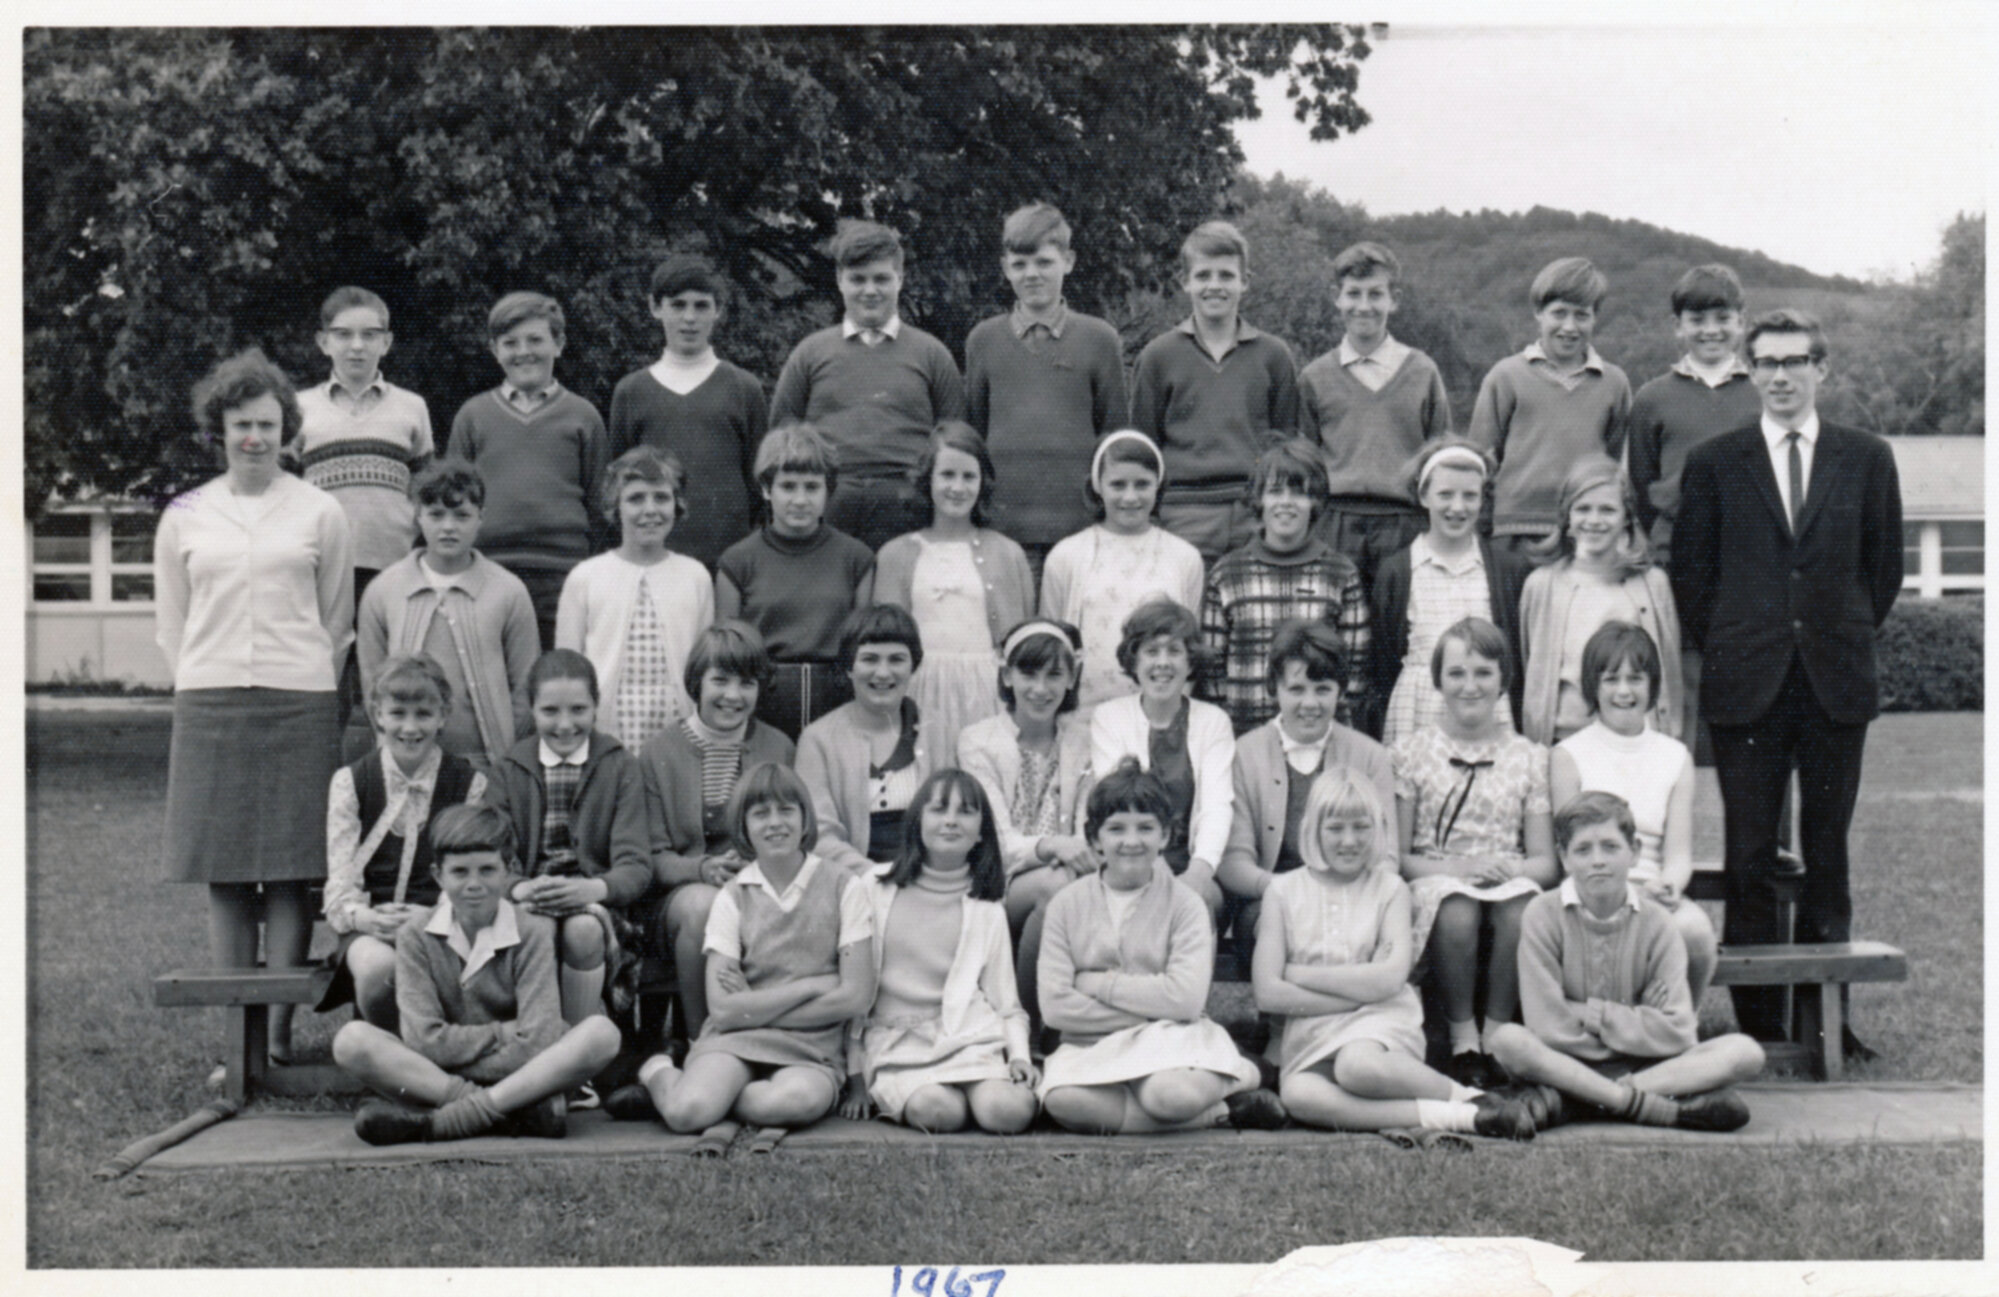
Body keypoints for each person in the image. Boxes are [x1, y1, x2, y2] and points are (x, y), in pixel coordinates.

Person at [1671, 308, 1903, 1055]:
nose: (1779, 375)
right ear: (1750, 369)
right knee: (1749, 854)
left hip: (1834, 680)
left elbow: (1883, 570)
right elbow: (1691, 580)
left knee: (1826, 849)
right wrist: (1744, 638)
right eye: (1765, 362)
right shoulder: (1715, 461)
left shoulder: (1865, 457)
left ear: (1819, 369)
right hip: (1748, 684)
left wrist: (1832, 630)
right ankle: (1762, 1019)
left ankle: (1822, 1017)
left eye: (1793, 361)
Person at [155, 348, 353, 1066]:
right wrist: (205, 680)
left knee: (293, 868)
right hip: (209, 704)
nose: (254, 438)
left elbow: (336, 619)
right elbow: (172, 622)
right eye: (241, 424)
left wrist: (296, 675)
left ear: (286, 429)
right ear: (220, 427)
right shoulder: (185, 513)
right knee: (229, 870)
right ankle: (235, 1040)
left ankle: (274, 1035)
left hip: (298, 701)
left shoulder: (319, 510)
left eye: (267, 424)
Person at [1252, 767, 1535, 1140]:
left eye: (1361, 827)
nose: (1349, 840)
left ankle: (1468, 1097)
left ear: (1378, 829)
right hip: (1313, 1031)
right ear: (1313, 830)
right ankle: (1463, 1117)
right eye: (1335, 828)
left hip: (1381, 1023)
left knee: (1357, 1066)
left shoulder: (1390, 889)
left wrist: (1298, 974)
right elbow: (1268, 992)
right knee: (1299, 1095)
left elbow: (1388, 979)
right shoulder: (1283, 892)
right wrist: (1358, 989)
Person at [332, 804, 624, 1145]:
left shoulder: (531, 931)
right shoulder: (416, 935)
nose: (474, 885)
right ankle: (515, 1113)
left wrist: (459, 1047)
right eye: (460, 872)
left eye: (487, 870)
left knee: (602, 1034)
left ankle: (445, 1121)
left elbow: (539, 1042)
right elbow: (423, 1042)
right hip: (474, 1078)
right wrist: (505, 1034)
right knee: (351, 1041)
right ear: (438, 876)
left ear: (509, 871)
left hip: (502, 1073)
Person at [612, 762, 877, 1138]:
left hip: (812, 1045)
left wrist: (753, 1006)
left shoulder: (843, 886)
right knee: (688, 1113)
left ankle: (720, 1097)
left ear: (805, 820)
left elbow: (854, 997)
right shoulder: (733, 896)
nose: (775, 823)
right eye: (760, 813)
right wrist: (813, 986)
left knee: (793, 1103)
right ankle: (658, 1072)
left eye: (787, 810)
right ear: (744, 828)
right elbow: (722, 1010)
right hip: (736, 1040)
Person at [1488, 792, 1765, 1132]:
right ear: (1564, 857)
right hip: (1565, 1061)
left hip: (1646, 1067)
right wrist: (1638, 1020)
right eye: (1583, 850)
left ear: (1633, 852)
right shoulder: (1542, 914)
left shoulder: (1658, 922)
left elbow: (1677, 1033)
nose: (1598, 860)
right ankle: (1648, 1106)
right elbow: (1547, 1027)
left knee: (1745, 1051)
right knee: (1508, 1041)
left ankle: (1579, 1101)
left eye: (1610, 846)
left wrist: (1586, 1013)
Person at [1036, 758, 1281, 1134]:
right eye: (1116, 828)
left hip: (1170, 1040)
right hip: (1090, 1043)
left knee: (1168, 1095)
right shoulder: (1065, 904)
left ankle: (1244, 1074)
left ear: (1165, 835)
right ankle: (1220, 1112)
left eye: (1145, 828)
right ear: (1094, 837)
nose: (1131, 841)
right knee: (1062, 1101)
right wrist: (1152, 1011)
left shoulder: (1185, 904)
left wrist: (1098, 984)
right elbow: (1055, 1008)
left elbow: (1185, 1000)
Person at [1393, 617, 1556, 1090]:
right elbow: (1399, 856)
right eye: (1457, 673)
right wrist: (1459, 869)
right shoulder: (1411, 753)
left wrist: (1513, 869)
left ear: (1504, 680)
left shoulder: (1528, 756)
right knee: (1457, 908)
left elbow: (1545, 862)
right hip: (1436, 874)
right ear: (1438, 680)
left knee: (1521, 906)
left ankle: (1498, 1033)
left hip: (1507, 873)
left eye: (1483, 673)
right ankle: (1464, 1038)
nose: (1470, 686)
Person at [840, 770, 1040, 1134]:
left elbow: (1006, 1004)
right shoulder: (872, 888)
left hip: (969, 1039)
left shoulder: (987, 907)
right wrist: (855, 1077)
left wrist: (1019, 1056)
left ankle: (986, 1094)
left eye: (965, 811)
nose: (950, 820)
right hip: (897, 1045)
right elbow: (852, 996)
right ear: (917, 822)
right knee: (937, 1112)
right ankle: (949, 1099)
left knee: (1008, 1112)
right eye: (938, 809)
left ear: (981, 831)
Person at [639, 621, 797, 1040]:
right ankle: (701, 1041)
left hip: (759, 886)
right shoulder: (658, 752)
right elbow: (651, 855)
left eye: (746, 683)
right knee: (703, 907)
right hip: (680, 897)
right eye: (720, 680)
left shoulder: (777, 747)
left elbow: (794, 832)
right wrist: (702, 869)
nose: (732, 695)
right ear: (697, 682)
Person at [768, 220, 965, 552]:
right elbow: (782, 436)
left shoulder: (932, 354)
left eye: (881, 279)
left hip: (908, 504)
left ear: (899, 280)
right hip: (830, 504)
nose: (869, 290)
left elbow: (956, 439)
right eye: (858, 279)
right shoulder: (810, 353)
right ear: (840, 281)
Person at [486, 650, 654, 1035]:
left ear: (597, 706)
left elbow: (635, 866)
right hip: (529, 894)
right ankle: (534, 1043)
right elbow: (493, 853)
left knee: (582, 932)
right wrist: (522, 886)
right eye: (550, 711)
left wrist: (591, 888)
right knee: (531, 928)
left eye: (578, 709)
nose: (565, 725)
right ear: (532, 709)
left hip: (597, 902)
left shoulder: (619, 765)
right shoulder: (510, 769)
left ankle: (577, 1058)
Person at [1625, 265, 1760, 740]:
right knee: (1676, 700)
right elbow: (1642, 488)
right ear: (1677, 326)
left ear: (1742, 322)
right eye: (1696, 319)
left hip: (1752, 564)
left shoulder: (1765, 391)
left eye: (1722, 317)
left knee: (1756, 702)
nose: (1710, 330)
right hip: (1676, 563)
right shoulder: (1651, 399)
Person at [964, 202, 1130, 582]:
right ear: (1005, 268)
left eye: (1043, 262)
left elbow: (1114, 436)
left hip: (1079, 529)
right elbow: (972, 435)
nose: (1031, 274)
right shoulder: (983, 341)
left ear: (1068, 261)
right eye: (1019, 265)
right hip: (1003, 530)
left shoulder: (1099, 339)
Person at [1551, 622, 1716, 1004]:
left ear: (1652, 685)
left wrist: (1670, 885)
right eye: (1611, 679)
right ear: (1593, 687)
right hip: (1589, 892)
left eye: (1635, 679)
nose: (1624, 691)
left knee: (1695, 931)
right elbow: (1569, 855)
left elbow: (1677, 856)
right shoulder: (1568, 755)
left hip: (1652, 895)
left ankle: (1676, 1029)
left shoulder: (1675, 757)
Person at [321, 654, 488, 1030]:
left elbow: (471, 874)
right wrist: (364, 917)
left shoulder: (467, 783)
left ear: (443, 715)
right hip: (372, 928)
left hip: (444, 925)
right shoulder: (351, 782)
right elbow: (341, 881)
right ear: (378, 714)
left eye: (423, 714)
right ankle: (391, 1057)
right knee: (380, 968)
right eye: (398, 713)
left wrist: (433, 918)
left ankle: (431, 1055)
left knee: (468, 967)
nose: (410, 727)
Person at [294, 287, 434, 728]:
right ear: (324, 342)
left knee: (393, 687)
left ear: (386, 342)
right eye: (344, 335)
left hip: (392, 570)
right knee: (324, 692)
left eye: (369, 335)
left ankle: (393, 784)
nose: (357, 346)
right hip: (325, 574)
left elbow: (426, 492)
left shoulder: (411, 408)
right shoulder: (300, 409)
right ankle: (321, 790)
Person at [446, 292, 609, 650]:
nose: (524, 352)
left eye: (536, 340)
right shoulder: (473, 416)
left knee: (558, 678)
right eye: (510, 343)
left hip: (563, 574)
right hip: (489, 571)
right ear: (494, 350)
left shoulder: (583, 416)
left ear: (559, 343)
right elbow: (453, 501)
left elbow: (601, 504)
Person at [1130, 220, 1300, 562]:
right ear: (1185, 282)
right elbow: (1143, 448)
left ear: (1245, 282)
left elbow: (1287, 447)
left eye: (1226, 275)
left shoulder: (1274, 355)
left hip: (1255, 513)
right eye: (1203, 275)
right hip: (1182, 515)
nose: (1214, 286)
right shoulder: (1158, 356)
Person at [1218, 622, 1396, 945]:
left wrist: (1342, 896)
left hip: (1353, 897)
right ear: (1275, 688)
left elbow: (1386, 857)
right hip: (1270, 898)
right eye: (1297, 689)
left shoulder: (1370, 756)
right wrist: (1290, 890)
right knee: (1278, 930)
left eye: (1323, 689)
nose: (1310, 704)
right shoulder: (1244, 754)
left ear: (1340, 690)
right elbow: (1232, 861)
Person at [956, 619, 1096, 1027]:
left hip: (1070, 873)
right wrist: (1052, 846)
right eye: (1028, 673)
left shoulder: (1083, 741)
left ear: (1071, 679)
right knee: (1058, 889)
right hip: (997, 877)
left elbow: (1087, 827)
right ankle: (1030, 1029)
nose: (1040, 688)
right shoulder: (978, 741)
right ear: (1007, 675)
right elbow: (996, 839)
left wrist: (1072, 851)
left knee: (1067, 887)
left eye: (1055, 675)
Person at [356, 459, 540, 769]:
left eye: (462, 515)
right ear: (418, 517)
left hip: (484, 763)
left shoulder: (508, 591)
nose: (449, 527)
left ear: (481, 518)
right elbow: (372, 683)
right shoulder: (384, 590)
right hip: (406, 763)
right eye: (436, 515)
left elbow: (526, 684)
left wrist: (505, 750)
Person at [874, 423, 1035, 759]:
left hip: (985, 691)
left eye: (968, 477)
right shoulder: (895, 554)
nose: (957, 487)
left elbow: (1020, 643)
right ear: (928, 480)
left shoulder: (1007, 553)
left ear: (983, 483)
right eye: (947, 475)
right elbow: (885, 640)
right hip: (920, 690)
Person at [715, 422, 877, 738]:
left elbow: (862, 647)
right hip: (763, 705)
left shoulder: (856, 558)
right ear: (766, 489)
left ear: (828, 490)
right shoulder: (737, 561)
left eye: (812, 487)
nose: (800, 500)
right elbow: (728, 654)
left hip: (837, 702)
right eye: (788, 486)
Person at [1295, 241, 1453, 564]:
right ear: (1336, 298)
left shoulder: (1423, 371)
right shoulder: (1315, 376)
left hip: (1405, 522)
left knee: (1399, 613)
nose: (1363, 306)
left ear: (1394, 300)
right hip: (1335, 522)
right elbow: (1305, 463)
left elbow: (1441, 456)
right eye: (1353, 293)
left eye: (1375, 294)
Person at [607, 253, 767, 571]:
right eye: (678, 305)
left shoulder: (744, 388)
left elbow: (759, 485)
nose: (689, 318)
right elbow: (619, 486)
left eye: (701, 305)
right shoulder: (631, 391)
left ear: (718, 310)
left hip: (729, 563)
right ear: (655, 307)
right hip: (653, 559)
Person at [1366, 440, 1530, 749]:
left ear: (1483, 499)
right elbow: (1384, 661)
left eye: (1470, 495)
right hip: (1417, 714)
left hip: (1487, 709)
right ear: (1424, 496)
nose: (1458, 507)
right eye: (1445, 494)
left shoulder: (1507, 570)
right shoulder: (1398, 571)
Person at [1199, 441, 1370, 735]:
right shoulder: (1227, 574)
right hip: (1246, 735)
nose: (1286, 502)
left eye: (1299, 493)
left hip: (1320, 736)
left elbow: (1354, 668)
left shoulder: (1341, 573)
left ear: (1315, 502)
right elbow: (1212, 671)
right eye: (1275, 492)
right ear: (1259, 500)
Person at [1467, 257, 1632, 554]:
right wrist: (1481, 531)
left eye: (1581, 315)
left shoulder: (1614, 383)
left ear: (1595, 318)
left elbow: (1613, 461)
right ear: (1538, 313)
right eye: (1559, 313)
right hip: (1513, 532)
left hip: (1584, 533)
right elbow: (1480, 462)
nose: (1569, 326)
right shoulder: (1506, 376)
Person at [557, 446, 714, 752]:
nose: (650, 509)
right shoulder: (585, 577)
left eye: (662, 497)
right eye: (636, 498)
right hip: (604, 735)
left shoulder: (695, 577)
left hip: (678, 734)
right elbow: (567, 668)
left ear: (677, 505)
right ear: (616, 507)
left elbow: (704, 668)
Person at [1517, 456, 1682, 746]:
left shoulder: (1652, 584)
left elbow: (1668, 671)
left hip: (1634, 744)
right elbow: (1530, 663)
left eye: (1607, 510)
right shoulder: (1542, 585)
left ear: (1627, 518)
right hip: (1563, 742)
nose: (1594, 520)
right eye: (1583, 509)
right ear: (1567, 517)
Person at [1089, 599, 1233, 919]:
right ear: (1134, 660)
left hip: (1193, 868)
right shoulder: (1109, 718)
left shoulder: (1214, 721)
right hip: (1129, 858)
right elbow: (1117, 802)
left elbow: (1217, 806)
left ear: (1190, 661)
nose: (1163, 663)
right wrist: (1160, 877)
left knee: (1202, 902)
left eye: (1174, 651)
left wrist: (1198, 873)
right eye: (1152, 651)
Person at [1039, 430, 1204, 709]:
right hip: (1086, 714)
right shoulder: (1067, 555)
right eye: (1118, 485)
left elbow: (1190, 649)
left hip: (1158, 714)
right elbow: (1052, 644)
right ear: (1097, 486)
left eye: (1142, 484)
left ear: (1158, 485)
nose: (1130, 497)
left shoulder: (1184, 557)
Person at [795, 604, 942, 873]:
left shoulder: (938, 730)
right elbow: (820, 835)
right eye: (870, 659)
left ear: (914, 666)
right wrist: (876, 876)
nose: (883, 673)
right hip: (849, 883)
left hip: (928, 879)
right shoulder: (817, 740)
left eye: (896, 659)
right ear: (849, 668)